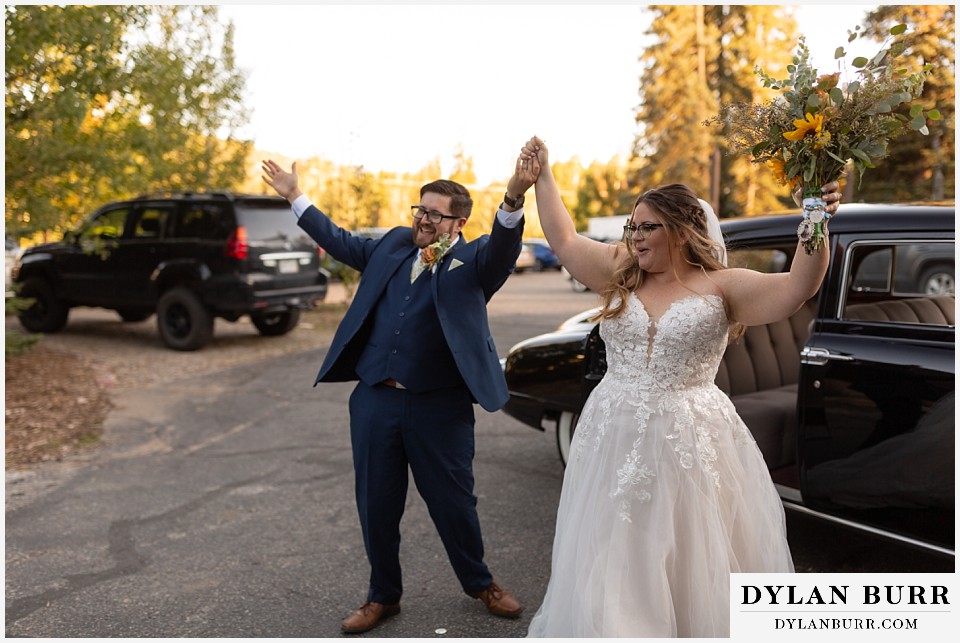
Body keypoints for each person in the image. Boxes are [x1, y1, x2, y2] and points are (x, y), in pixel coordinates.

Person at [517, 136, 841, 637]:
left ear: (682, 231)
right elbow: (563, 239)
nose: (636, 236)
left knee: (687, 552)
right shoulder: (620, 271)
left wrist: (816, 216)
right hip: (612, 434)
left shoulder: (723, 287)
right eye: (633, 226)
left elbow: (800, 285)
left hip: (689, 438)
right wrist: (544, 176)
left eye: (649, 227)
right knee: (614, 548)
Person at [261, 158, 536, 634]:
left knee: (454, 503)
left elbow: (506, 243)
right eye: (420, 209)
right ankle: (382, 596)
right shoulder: (391, 244)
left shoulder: (476, 262)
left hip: (439, 406)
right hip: (375, 400)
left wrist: (513, 195)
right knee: (376, 502)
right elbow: (340, 240)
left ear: (458, 223)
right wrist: (294, 196)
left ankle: (481, 583)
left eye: (434, 214)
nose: (423, 219)